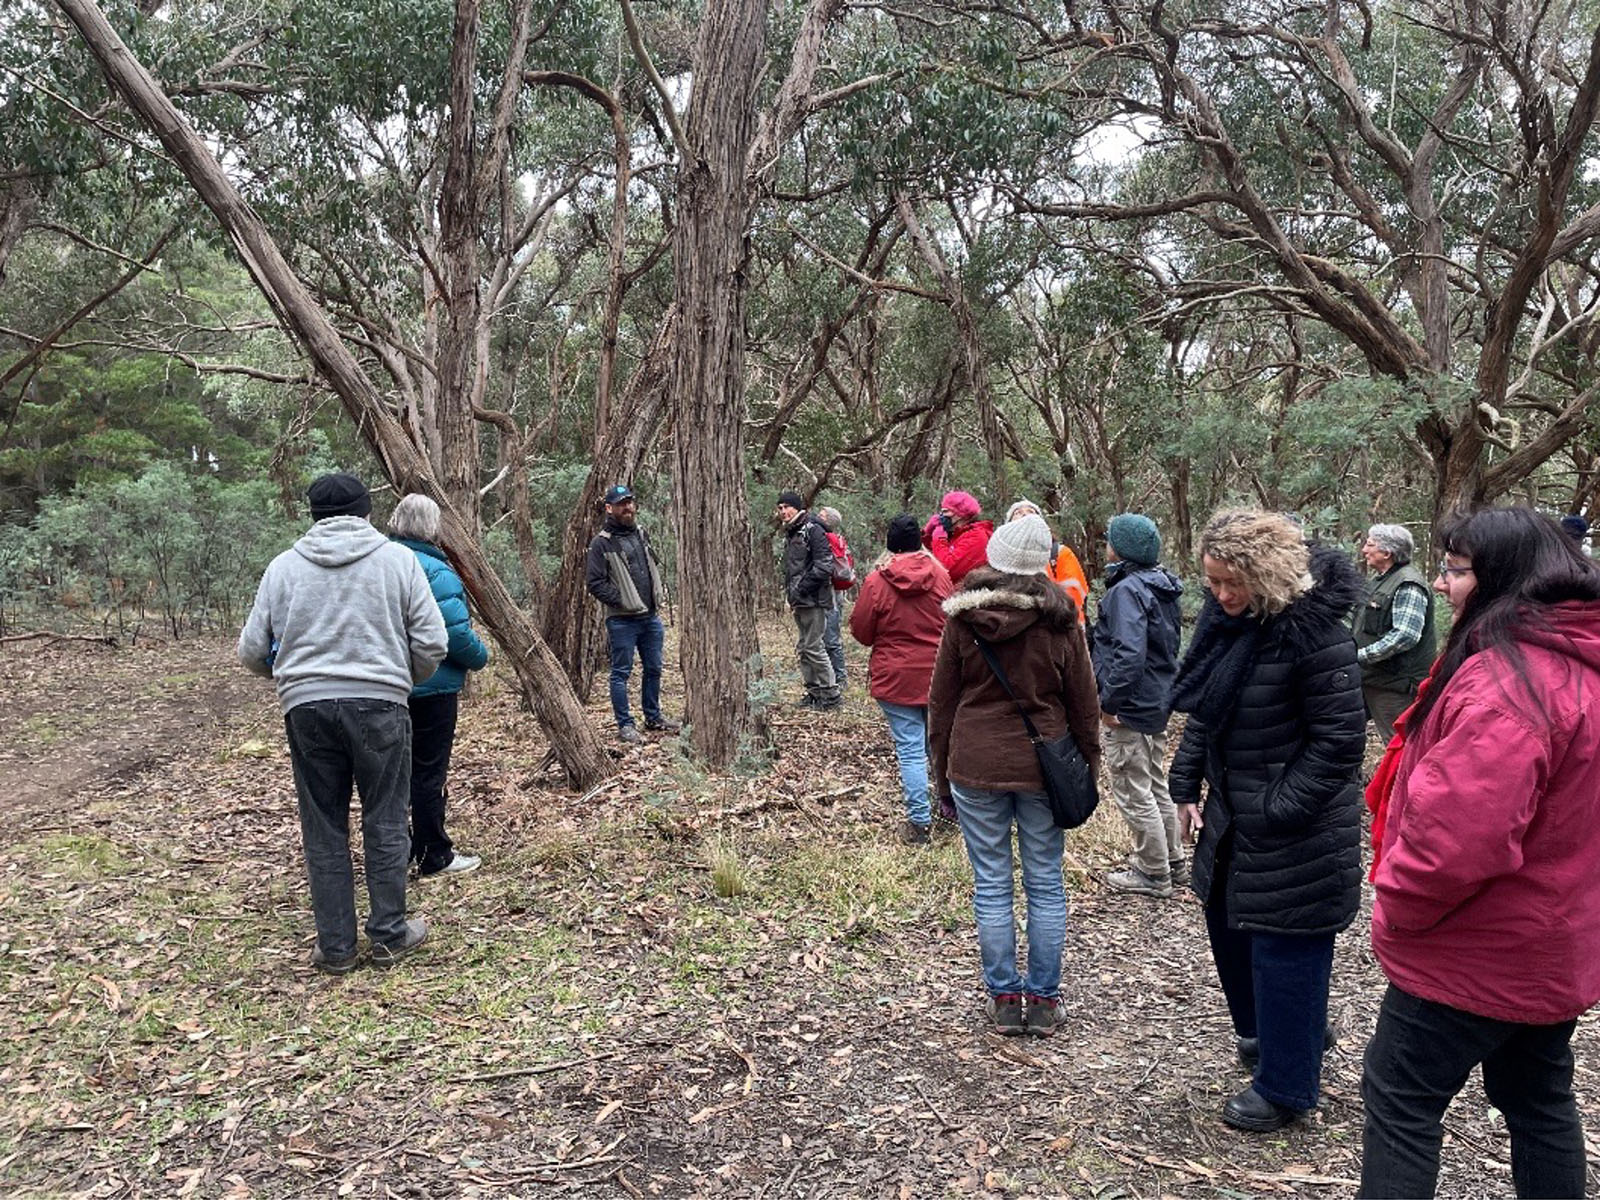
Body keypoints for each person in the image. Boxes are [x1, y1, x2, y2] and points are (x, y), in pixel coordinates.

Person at [1359, 507, 1600, 1200]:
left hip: (1477, 947)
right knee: (1539, 1099)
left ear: (1507, 577)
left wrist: (1396, 907)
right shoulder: (1580, 667)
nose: (1441, 585)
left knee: (1401, 1097)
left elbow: (1454, 840)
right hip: (1555, 944)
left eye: (1457, 570)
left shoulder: (1510, 683)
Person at [1168, 509, 1365, 1131]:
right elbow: (1208, 708)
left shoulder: (1315, 636)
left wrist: (1278, 808)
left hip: (1295, 829)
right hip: (1236, 817)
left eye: (1233, 583)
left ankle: (1287, 1088)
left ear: (1268, 574)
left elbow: (1338, 742)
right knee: (1230, 929)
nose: (1221, 595)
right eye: (1212, 583)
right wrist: (1184, 783)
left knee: (1286, 951)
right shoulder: (1231, 625)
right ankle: (1272, 1039)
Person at [238, 473, 446, 973]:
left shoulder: (283, 569)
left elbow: (250, 650)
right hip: (382, 706)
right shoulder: (399, 563)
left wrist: (293, 677)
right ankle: (390, 935)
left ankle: (336, 947)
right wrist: (399, 679)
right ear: (367, 512)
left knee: (324, 823)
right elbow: (433, 643)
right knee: (387, 816)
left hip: (307, 709)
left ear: (312, 515)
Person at [930, 514, 1100, 1037]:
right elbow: (1084, 706)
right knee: (1046, 884)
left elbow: (941, 705)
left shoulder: (963, 620)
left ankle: (1005, 998)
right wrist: (1086, 769)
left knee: (992, 885)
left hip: (976, 765)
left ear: (995, 559)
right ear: (1041, 567)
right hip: (1045, 766)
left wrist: (942, 777)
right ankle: (1043, 1003)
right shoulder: (1062, 622)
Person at [389, 493, 489, 878]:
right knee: (429, 772)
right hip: (432, 687)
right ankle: (435, 854)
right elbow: (453, 633)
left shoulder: (382, 561)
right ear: (432, 527)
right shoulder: (434, 568)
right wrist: (481, 657)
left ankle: (400, 851)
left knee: (396, 773)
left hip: (388, 687)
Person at [1091, 513, 1186, 898]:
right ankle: (1172, 861)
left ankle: (1152, 872)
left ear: (1124, 549)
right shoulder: (1161, 588)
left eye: (1110, 542)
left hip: (1131, 705)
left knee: (1133, 787)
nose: (1106, 548)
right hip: (1156, 699)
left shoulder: (1127, 592)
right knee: (1153, 781)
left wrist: (1110, 702)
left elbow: (1128, 654)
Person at [850, 513, 953, 844]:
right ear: (919, 543)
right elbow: (953, 622)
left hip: (895, 677)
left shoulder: (876, 582)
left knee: (910, 750)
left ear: (890, 545)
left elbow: (863, 632)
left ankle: (920, 823)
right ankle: (952, 811)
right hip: (939, 674)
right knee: (939, 745)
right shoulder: (940, 575)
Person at [585, 484, 679, 745]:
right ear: (609, 508)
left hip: (650, 617)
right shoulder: (601, 543)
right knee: (621, 673)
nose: (627, 507)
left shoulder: (641, 533)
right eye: (620, 503)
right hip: (622, 621)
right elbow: (594, 583)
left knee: (654, 668)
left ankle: (653, 717)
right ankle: (625, 725)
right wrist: (623, 600)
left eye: (629, 502)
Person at [1355, 523, 1435, 743]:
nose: (1364, 550)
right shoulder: (1381, 581)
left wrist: (1360, 656)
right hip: (1374, 679)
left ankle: (1404, 779)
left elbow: (1405, 635)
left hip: (1395, 685)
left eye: (1370, 545)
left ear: (1387, 553)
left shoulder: (1408, 584)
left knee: (1399, 746)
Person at [776, 490, 840, 710]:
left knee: (814, 646)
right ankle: (813, 692)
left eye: (787, 507)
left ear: (797, 507)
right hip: (800, 600)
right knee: (804, 647)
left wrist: (802, 588)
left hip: (814, 600)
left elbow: (824, 565)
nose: (783, 511)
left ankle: (830, 695)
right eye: (780, 508)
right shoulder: (793, 531)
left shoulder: (812, 530)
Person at [1006, 499, 1090, 620]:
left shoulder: (1060, 554)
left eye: (1031, 512)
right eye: (1017, 513)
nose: (1025, 514)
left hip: (1061, 629)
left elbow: (1074, 598)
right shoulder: (999, 561)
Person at [921, 491, 994, 585]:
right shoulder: (955, 533)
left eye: (945, 511)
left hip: (962, 595)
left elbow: (948, 570)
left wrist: (939, 540)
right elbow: (934, 553)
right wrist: (928, 533)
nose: (941, 516)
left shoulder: (976, 537)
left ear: (960, 514)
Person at [817, 506, 854, 690]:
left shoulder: (828, 539)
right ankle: (833, 678)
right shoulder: (838, 539)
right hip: (835, 593)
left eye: (821, 515)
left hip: (831, 593)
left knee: (831, 639)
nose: (817, 517)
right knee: (830, 637)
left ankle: (840, 679)